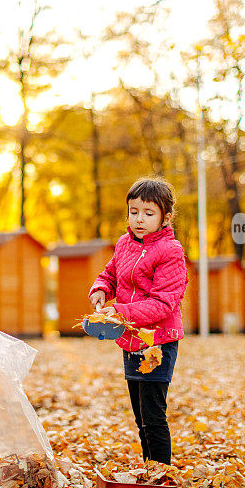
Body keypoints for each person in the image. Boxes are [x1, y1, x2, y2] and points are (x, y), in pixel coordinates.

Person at [88, 177, 188, 465]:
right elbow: (110, 274)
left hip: (157, 343)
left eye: (148, 213)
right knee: (140, 417)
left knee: (154, 415)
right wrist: (101, 290)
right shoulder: (125, 244)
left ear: (165, 218)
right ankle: (149, 471)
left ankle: (161, 476)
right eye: (134, 212)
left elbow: (163, 303)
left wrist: (120, 311)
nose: (139, 219)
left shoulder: (170, 252)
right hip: (130, 341)